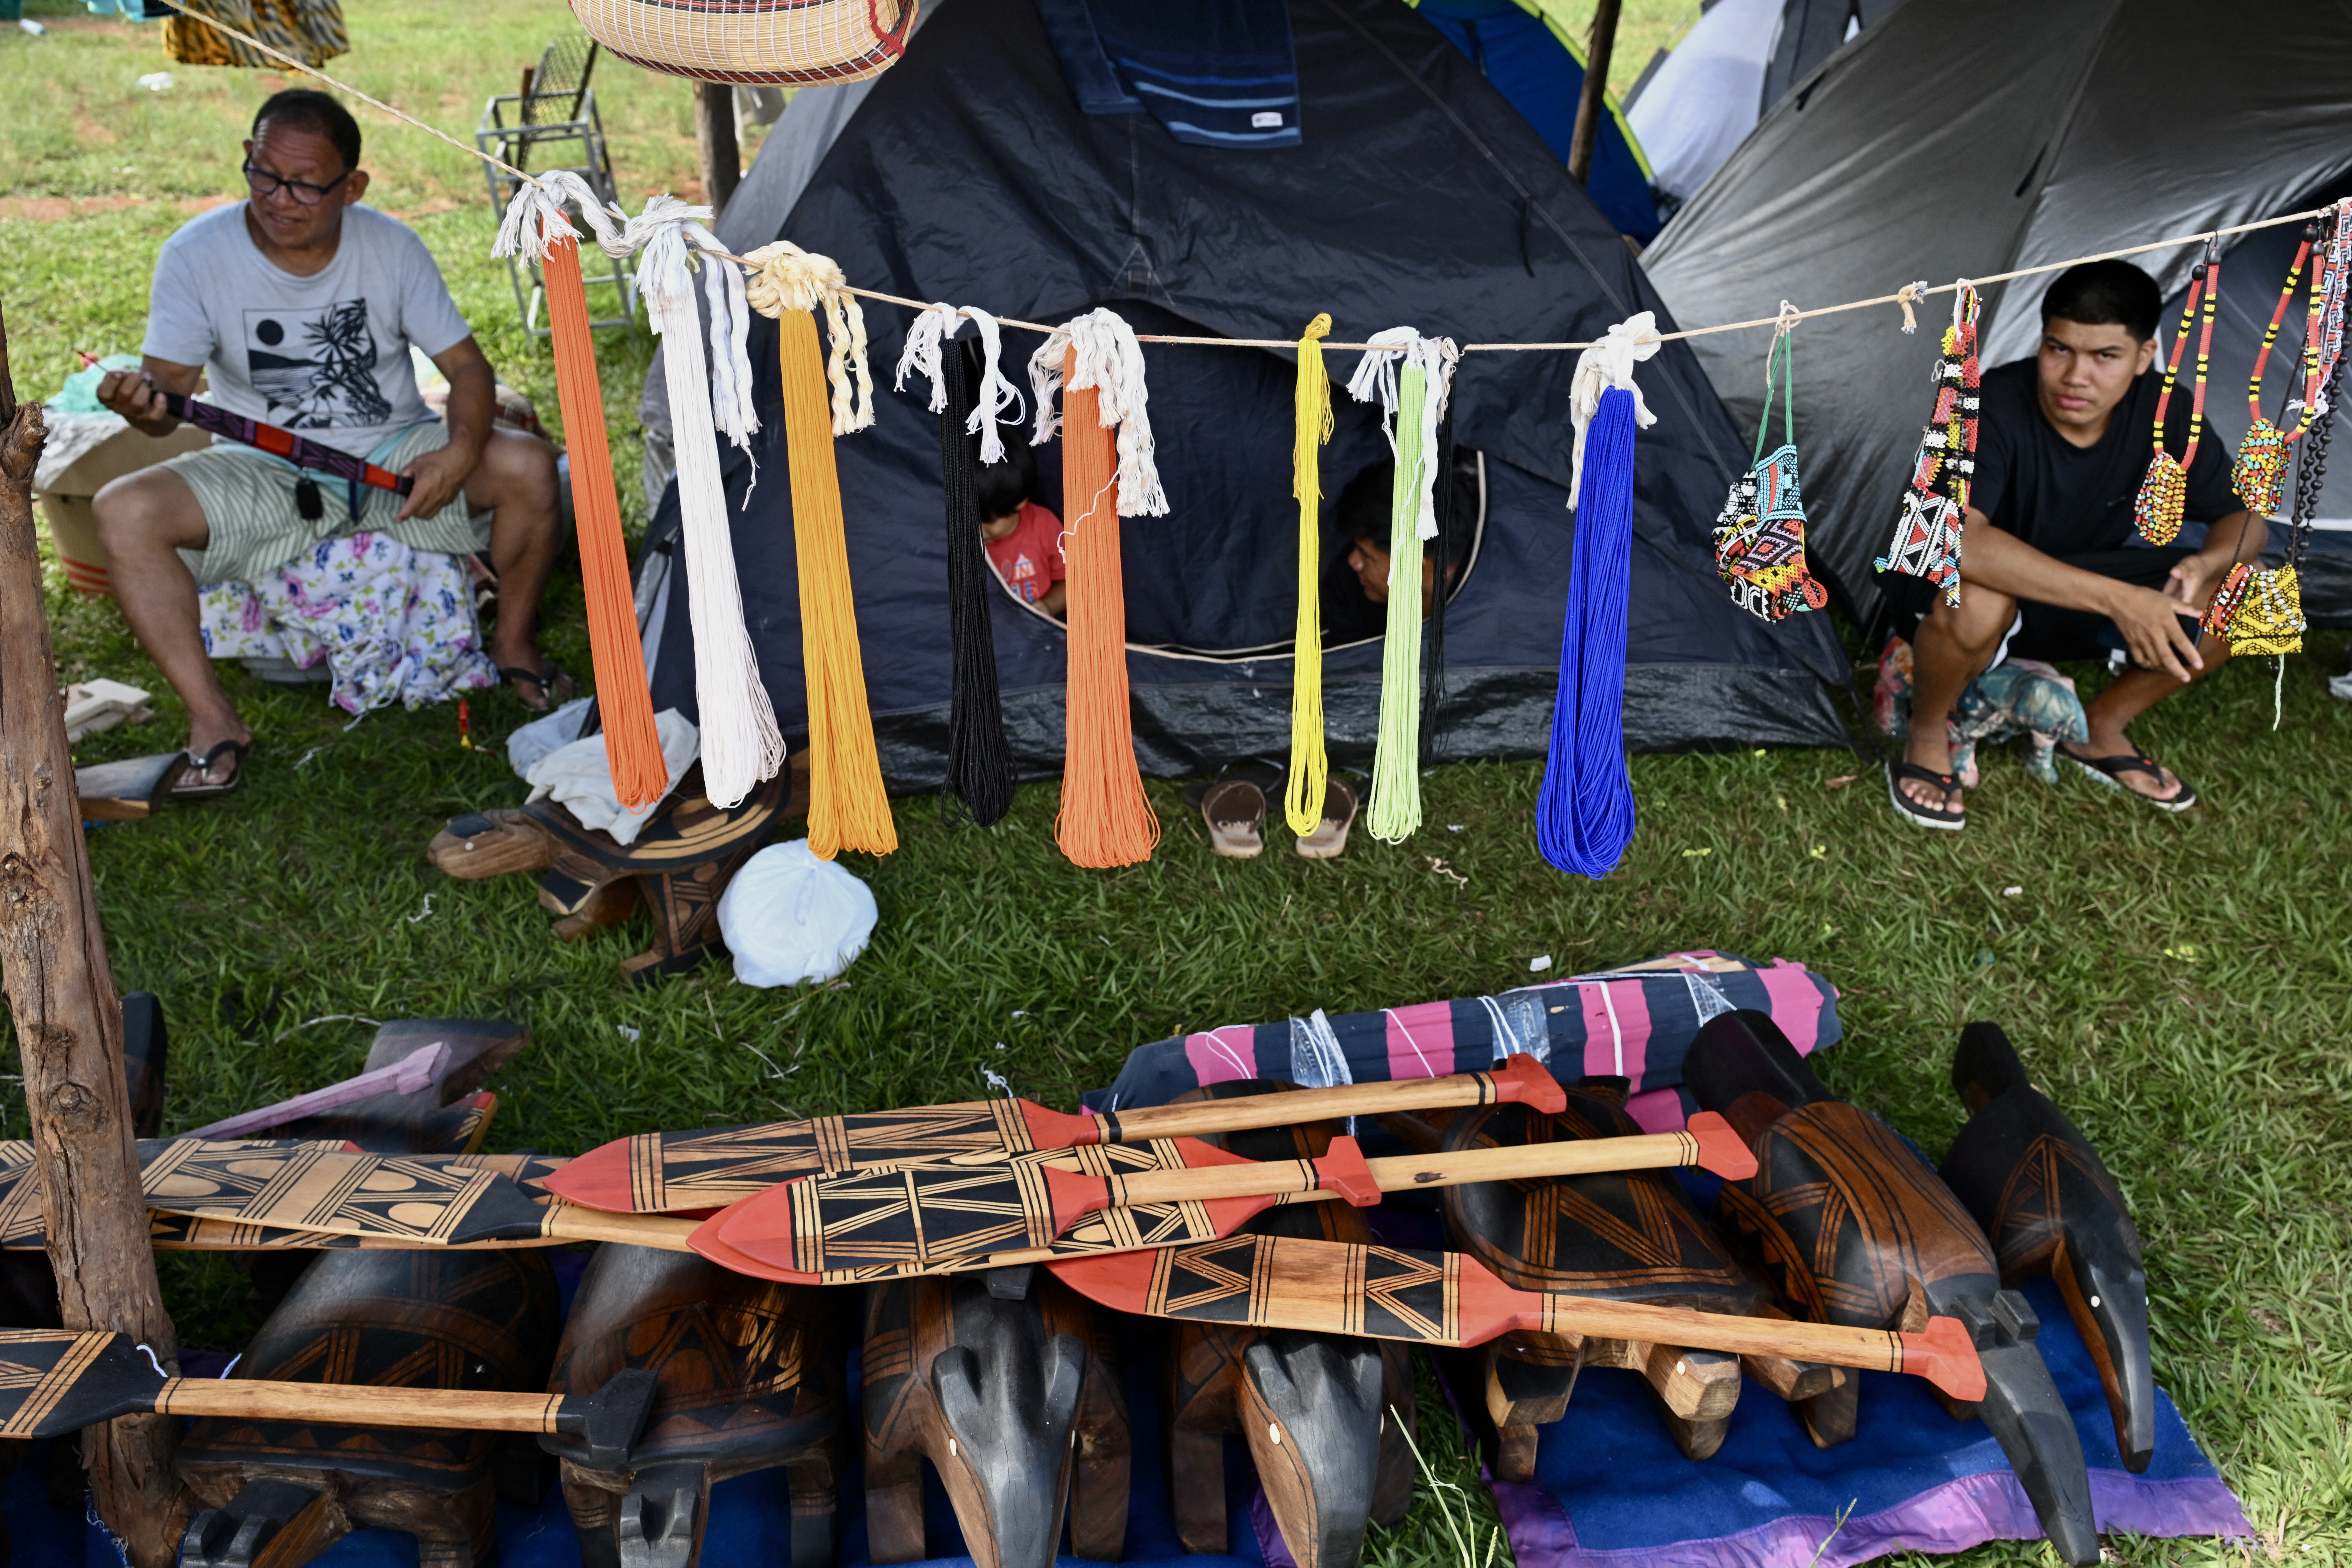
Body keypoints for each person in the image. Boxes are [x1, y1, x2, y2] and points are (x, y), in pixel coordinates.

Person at [94, 88, 565, 797]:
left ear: (352, 188)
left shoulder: (390, 246)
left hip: (396, 448)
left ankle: (514, 646)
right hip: (266, 468)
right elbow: (168, 402)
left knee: (529, 465)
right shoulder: (195, 254)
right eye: (262, 173)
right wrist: (140, 405)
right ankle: (213, 718)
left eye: (306, 184)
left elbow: (467, 368)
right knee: (122, 509)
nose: (279, 199)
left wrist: (459, 452)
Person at [1878, 259, 2266, 828]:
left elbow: (2245, 520)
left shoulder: (2167, 410)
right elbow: (1958, 542)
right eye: (2059, 349)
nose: (2075, 376)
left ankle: (2097, 729)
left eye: (2105, 356)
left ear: (2143, 356)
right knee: (1979, 598)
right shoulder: (1984, 403)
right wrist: (2123, 600)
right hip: (1949, 587)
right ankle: (1928, 731)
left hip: (2070, 583)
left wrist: (2208, 563)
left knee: (2256, 594)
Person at [1321, 446, 1477, 646]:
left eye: (1366, 555)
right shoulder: (1348, 586)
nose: (1353, 562)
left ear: (1417, 567)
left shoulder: (1493, 611)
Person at [974, 434, 1065, 618]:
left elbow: (1073, 581)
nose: (977, 531)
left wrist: (1048, 606)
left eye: (989, 522)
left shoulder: (1043, 526)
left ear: (1020, 503)